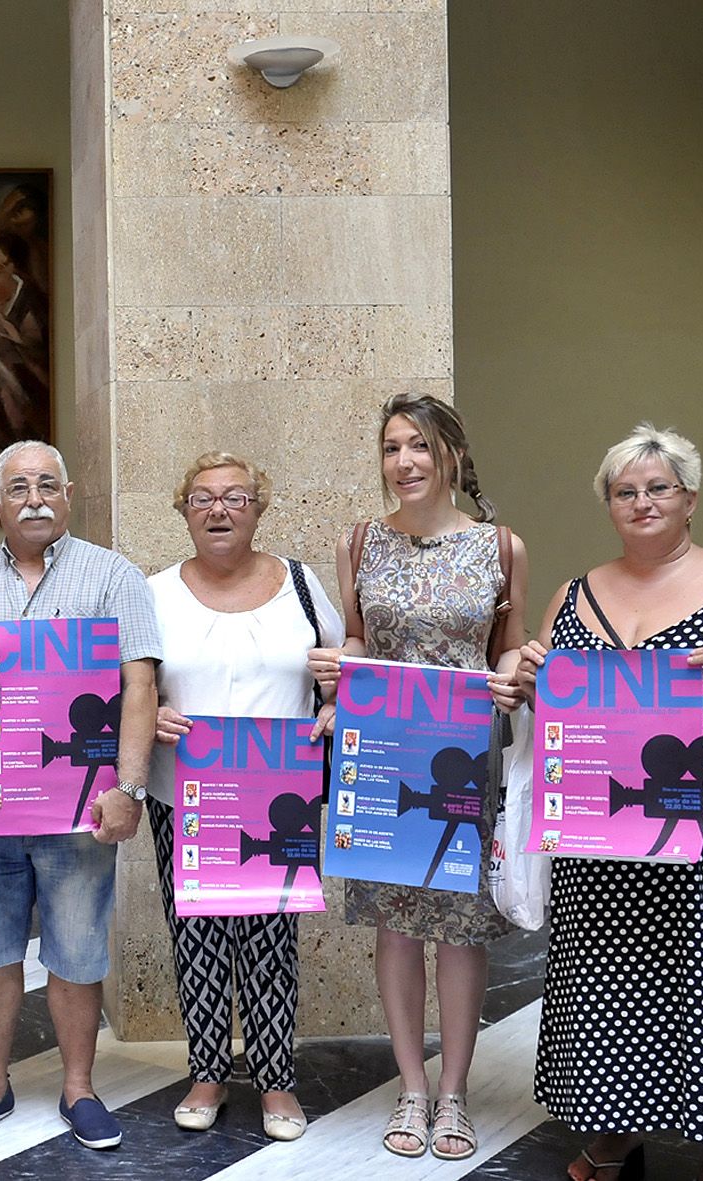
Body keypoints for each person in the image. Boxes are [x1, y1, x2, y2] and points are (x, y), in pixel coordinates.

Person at [518, 425, 703, 1181]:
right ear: (608, 504)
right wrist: (528, 681)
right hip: (602, 826)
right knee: (607, 979)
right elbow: (547, 694)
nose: (642, 502)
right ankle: (616, 1129)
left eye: (659, 488)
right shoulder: (575, 594)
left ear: (691, 499)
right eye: (625, 491)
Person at [307, 393, 529, 1162]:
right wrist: (338, 688)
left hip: (466, 751)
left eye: (420, 447)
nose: (404, 462)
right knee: (396, 923)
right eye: (393, 447)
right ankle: (411, 1084)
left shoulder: (501, 546)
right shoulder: (360, 541)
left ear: (452, 457)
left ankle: (456, 1092)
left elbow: (511, 644)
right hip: (383, 751)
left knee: (463, 931)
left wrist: (510, 678)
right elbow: (359, 636)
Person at [0, 440, 161, 1150]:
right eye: (19, 487)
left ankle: (79, 1088)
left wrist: (128, 788)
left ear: (69, 494)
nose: (34, 498)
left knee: (78, 950)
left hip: (79, 811)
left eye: (47, 485)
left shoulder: (114, 576)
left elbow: (140, 686)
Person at [147, 452, 344, 1141]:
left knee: (270, 937)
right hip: (184, 792)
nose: (218, 509)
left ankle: (276, 1079)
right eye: (201, 497)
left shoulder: (299, 581)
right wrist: (152, 714)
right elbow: (132, 684)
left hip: (277, 793)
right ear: (183, 511)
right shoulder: (155, 591)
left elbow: (340, 669)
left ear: (259, 507)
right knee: (195, 932)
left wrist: (331, 705)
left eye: (235, 496)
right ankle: (207, 1070)